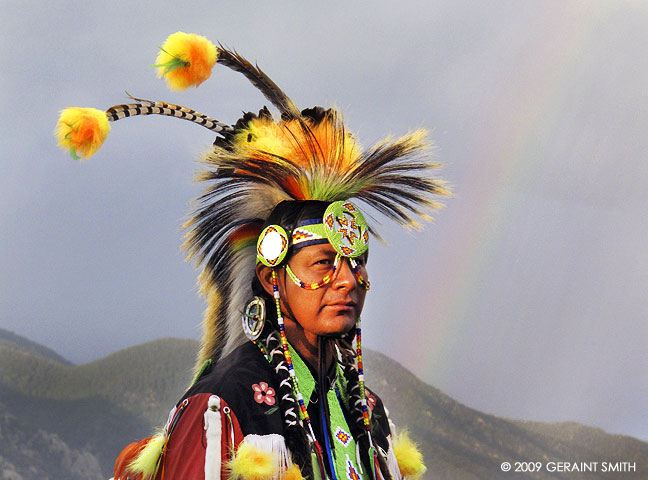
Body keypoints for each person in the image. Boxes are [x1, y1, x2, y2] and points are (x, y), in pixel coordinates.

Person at [56, 32, 449, 480]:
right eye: (323, 263)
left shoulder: (366, 413)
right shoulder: (224, 403)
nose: (347, 280)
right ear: (271, 277)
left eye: (356, 263)